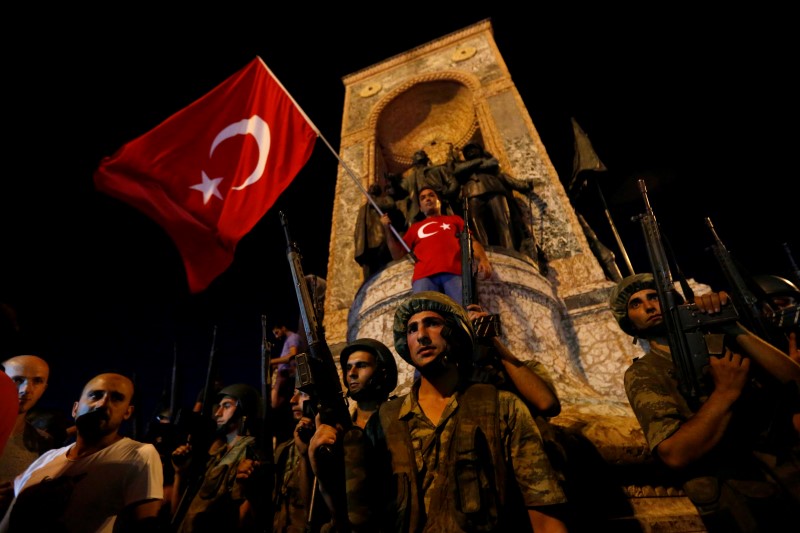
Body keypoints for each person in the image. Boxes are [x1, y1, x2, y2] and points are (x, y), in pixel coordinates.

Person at [310, 291, 569, 532]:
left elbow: (543, 511)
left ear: (455, 334)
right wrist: (322, 469)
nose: (421, 335)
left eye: (432, 324)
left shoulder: (501, 406)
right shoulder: (387, 419)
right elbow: (360, 514)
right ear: (407, 345)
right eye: (412, 329)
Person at [611, 273, 800, 532]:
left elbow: (794, 381)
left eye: (655, 296)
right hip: (741, 502)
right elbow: (674, 454)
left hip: (786, 477)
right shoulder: (644, 373)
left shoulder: (719, 343)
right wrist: (724, 393)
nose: (648, 306)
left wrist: (729, 324)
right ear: (628, 321)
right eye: (635, 303)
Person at [0, 372, 164, 532]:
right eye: (95, 395)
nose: (102, 404)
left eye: (116, 398)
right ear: (75, 408)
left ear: (127, 412)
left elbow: (145, 525)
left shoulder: (138, 455)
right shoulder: (48, 458)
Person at [171, 383, 266, 533]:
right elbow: (181, 514)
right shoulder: (217, 455)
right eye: (219, 406)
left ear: (244, 409)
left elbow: (243, 517)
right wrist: (180, 474)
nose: (218, 413)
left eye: (227, 406)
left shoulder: (248, 453)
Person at [381, 185, 492, 304]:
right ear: (420, 207)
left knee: (462, 314)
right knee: (425, 315)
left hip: (454, 272)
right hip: (424, 276)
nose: (427, 199)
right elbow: (397, 254)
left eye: (431, 195)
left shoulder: (455, 220)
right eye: (423, 198)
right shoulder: (415, 228)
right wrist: (387, 229)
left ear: (439, 201)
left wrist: (483, 259)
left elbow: (471, 242)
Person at [452, 143, 537, 256]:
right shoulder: (463, 164)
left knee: (503, 220)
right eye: (467, 151)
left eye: (473, 149)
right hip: (472, 193)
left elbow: (493, 163)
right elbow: (457, 170)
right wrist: (479, 161)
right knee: (475, 223)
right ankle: (484, 253)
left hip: (495, 189)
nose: (471, 152)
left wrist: (471, 167)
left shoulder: (490, 163)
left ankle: (510, 251)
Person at [272, 387, 323, 533]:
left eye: (303, 394)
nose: (292, 401)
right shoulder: (285, 448)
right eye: (293, 394)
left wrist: (305, 456)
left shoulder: (327, 445)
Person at [0, 355, 54, 486]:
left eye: (37, 381)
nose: (26, 390)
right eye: (17, 380)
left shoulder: (44, 444)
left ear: (44, 388)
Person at [386, 149, 459, 229]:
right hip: (417, 212)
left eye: (420, 154)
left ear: (426, 159)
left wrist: (447, 193)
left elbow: (452, 182)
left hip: (440, 206)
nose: (418, 156)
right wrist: (394, 182)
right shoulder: (410, 178)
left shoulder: (438, 169)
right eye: (416, 155)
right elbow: (400, 193)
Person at [339, 338, 398, 429]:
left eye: (362, 366)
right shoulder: (342, 430)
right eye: (348, 368)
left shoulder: (402, 420)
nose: (351, 373)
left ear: (382, 372)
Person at [271, 322, 303, 444]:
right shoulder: (288, 340)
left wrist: (271, 360)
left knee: (278, 406)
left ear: (283, 327)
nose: (276, 336)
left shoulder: (292, 338)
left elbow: (292, 355)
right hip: (282, 376)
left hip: (286, 376)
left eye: (277, 332)